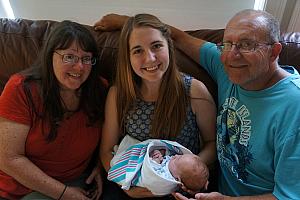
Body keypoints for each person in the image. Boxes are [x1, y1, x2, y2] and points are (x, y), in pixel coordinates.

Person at [94, 9, 300, 199]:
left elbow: (288, 196)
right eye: (227, 44)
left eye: (247, 44)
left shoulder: (293, 108)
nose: (232, 55)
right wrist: (127, 22)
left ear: (274, 52)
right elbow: (178, 36)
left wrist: (183, 176)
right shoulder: (228, 67)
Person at [96, 13, 216, 200]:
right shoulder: (118, 94)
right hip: (133, 182)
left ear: (168, 45)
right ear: (127, 57)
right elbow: (106, 150)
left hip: (180, 185)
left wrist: (190, 170)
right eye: (138, 50)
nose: (150, 58)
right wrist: (125, 184)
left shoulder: (194, 90)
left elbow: (212, 143)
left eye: (156, 46)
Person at [0, 21, 107, 200]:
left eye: (86, 58)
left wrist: (100, 166)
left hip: (73, 181)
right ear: (50, 56)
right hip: (17, 186)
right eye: (69, 57)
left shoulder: (100, 90)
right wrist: (64, 194)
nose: (79, 66)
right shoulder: (21, 88)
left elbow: (108, 138)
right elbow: (8, 158)